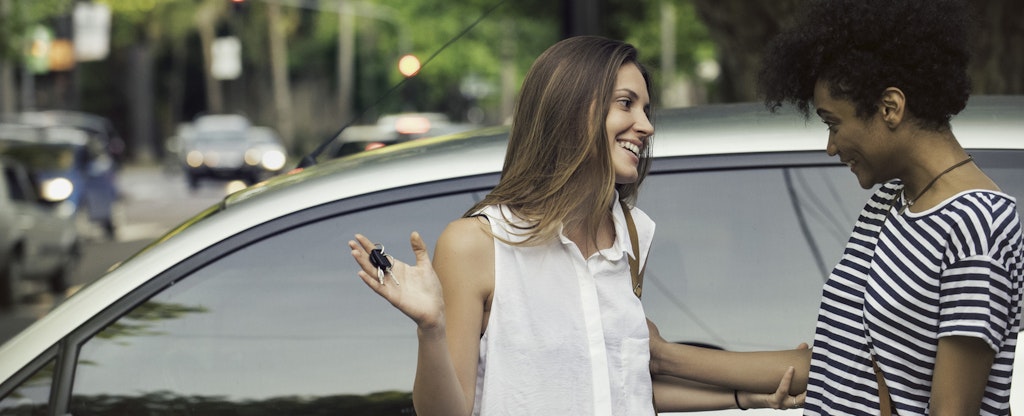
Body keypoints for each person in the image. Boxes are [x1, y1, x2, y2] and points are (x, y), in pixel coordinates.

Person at [349, 36, 804, 415]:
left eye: (646, 110)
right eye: (626, 104)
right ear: (571, 110)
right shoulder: (477, 243)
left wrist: (742, 398)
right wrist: (431, 328)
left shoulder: (630, 237)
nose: (645, 126)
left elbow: (617, 383)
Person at [755, 0, 1024, 414]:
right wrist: (663, 356)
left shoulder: (978, 225)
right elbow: (835, 363)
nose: (830, 147)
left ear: (890, 108)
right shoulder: (892, 200)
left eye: (833, 124)